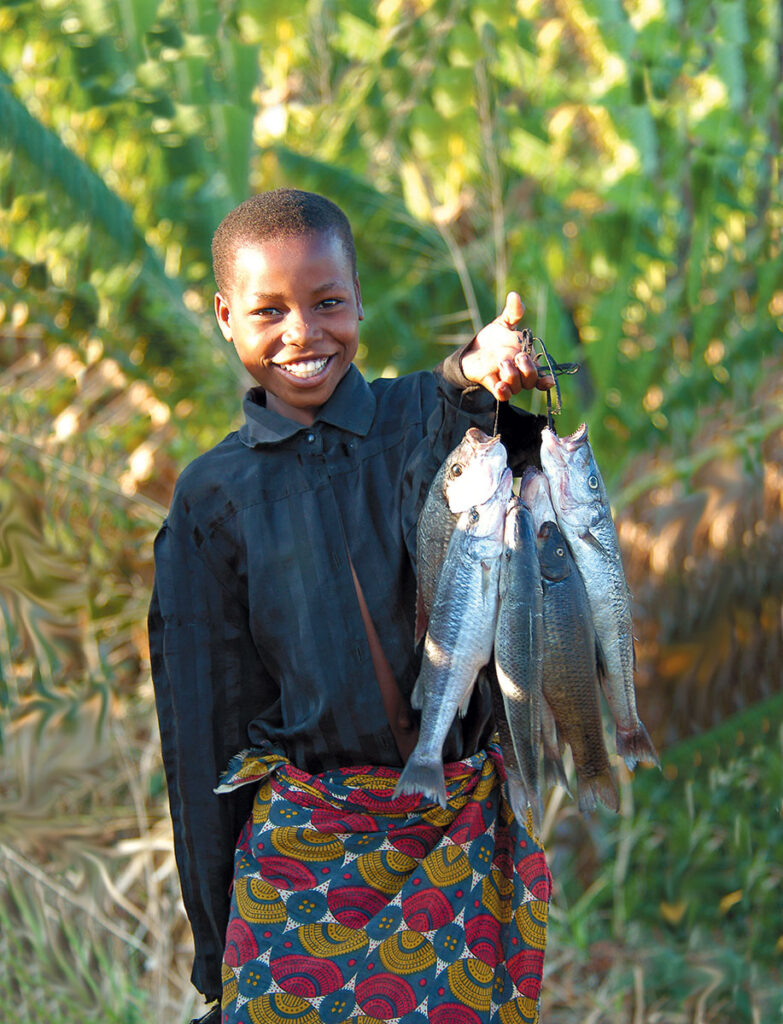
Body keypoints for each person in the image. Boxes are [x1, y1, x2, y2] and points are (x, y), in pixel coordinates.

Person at [148, 188, 555, 1024]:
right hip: (305, 854)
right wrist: (212, 934)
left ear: (359, 300)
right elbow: (201, 728)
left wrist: (492, 371)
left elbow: (481, 416)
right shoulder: (213, 500)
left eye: (328, 302)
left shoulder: (423, 422)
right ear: (226, 316)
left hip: (453, 839)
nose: (304, 333)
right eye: (270, 311)